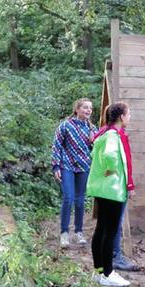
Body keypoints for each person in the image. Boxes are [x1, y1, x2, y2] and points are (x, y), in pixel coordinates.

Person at [86, 103, 132, 287]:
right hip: (112, 190)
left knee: (101, 230)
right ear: (121, 116)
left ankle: (99, 271)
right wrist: (112, 169)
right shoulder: (113, 135)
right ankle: (107, 272)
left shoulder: (104, 133)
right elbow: (111, 155)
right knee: (110, 232)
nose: (130, 117)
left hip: (104, 189)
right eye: (129, 114)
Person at [51, 98, 97, 248]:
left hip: (84, 167)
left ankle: (78, 231)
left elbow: (96, 151)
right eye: (85, 107)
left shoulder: (92, 129)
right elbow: (57, 146)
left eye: (90, 108)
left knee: (80, 200)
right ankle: (64, 233)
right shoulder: (65, 126)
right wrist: (56, 167)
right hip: (67, 166)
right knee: (68, 198)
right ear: (77, 109)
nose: (88, 110)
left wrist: (94, 142)